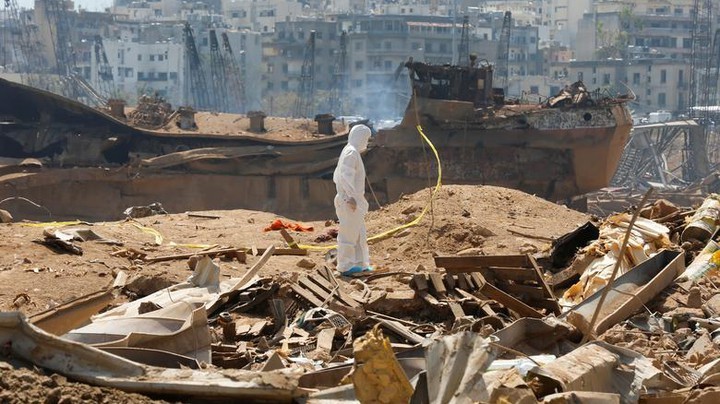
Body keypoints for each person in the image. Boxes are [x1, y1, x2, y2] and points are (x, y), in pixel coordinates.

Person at [333, 124, 373, 276]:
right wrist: (349, 197)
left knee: (359, 234)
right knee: (349, 235)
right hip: (349, 201)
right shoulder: (351, 152)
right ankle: (345, 265)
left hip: (355, 200)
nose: (367, 142)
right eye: (366, 138)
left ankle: (360, 263)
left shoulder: (351, 151)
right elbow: (344, 175)